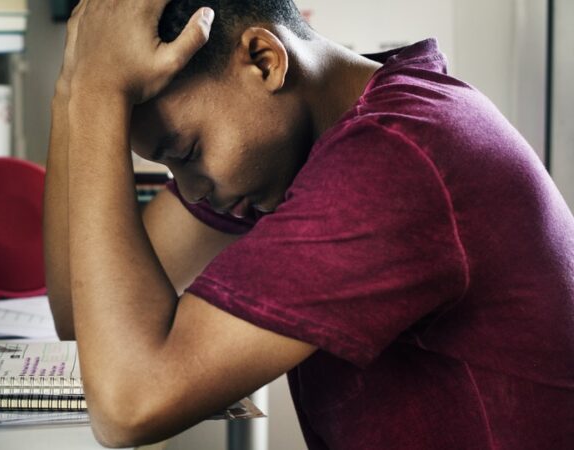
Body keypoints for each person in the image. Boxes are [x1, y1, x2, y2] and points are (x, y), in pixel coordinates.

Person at [43, 0, 574, 448]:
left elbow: (130, 402)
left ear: (264, 59)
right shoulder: (305, 146)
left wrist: (96, 93)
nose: (191, 188)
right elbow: (80, 308)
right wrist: (75, 84)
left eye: (186, 151)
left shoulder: (396, 158)